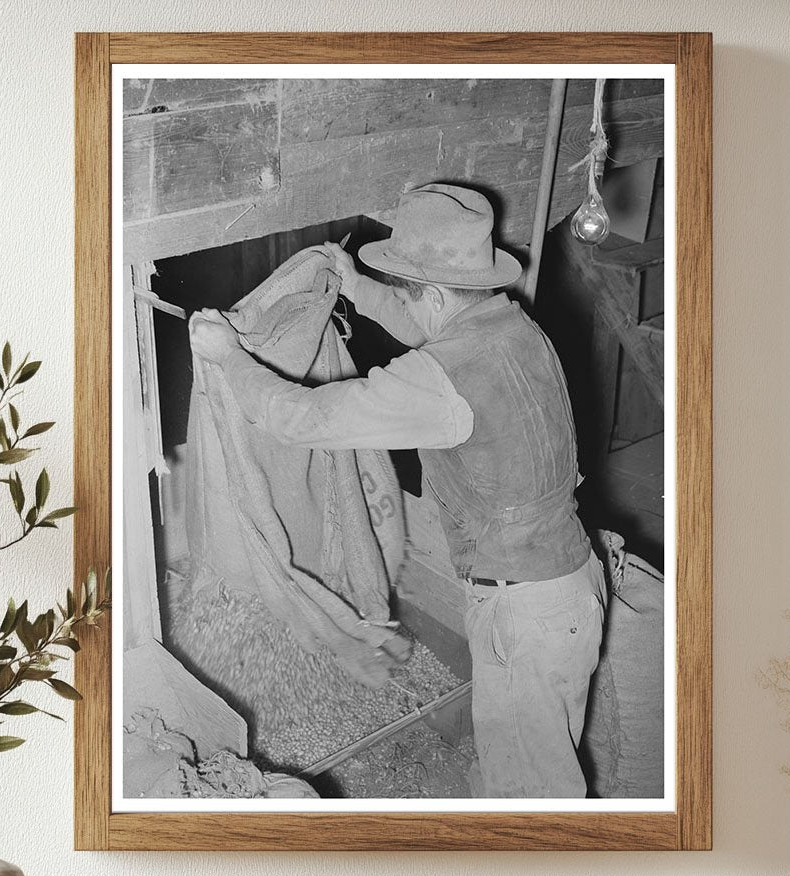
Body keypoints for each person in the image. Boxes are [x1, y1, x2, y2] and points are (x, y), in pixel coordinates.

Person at [190, 183, 607, 798]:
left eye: (415, 291)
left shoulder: (444, 384)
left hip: (527, 615)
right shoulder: (510, 326)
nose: (413, 306)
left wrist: (230, 359)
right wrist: (355, 286)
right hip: (567, 587)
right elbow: (427, 326)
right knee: (527, 769)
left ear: (437, 292)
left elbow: (306, 421)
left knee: (536, 801)